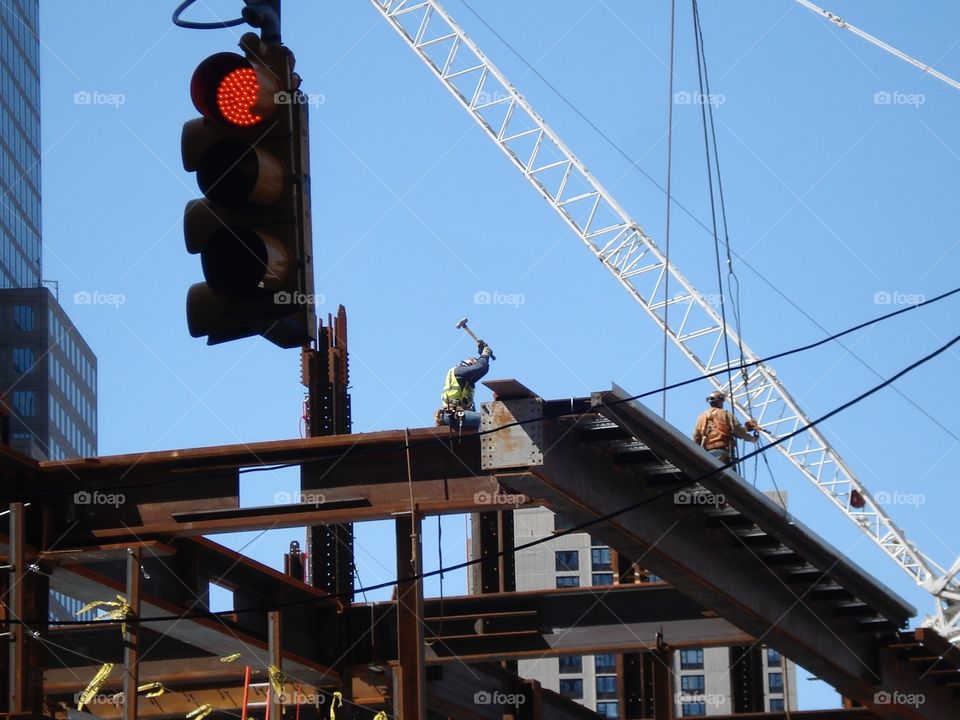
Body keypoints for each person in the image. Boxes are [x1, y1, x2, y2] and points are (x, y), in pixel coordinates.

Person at [436, 341, 494, 430]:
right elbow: (480, 366)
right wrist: (484, 354)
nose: (472, 361)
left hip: (460, 414)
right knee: (488, 420)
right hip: (453, 414)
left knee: (491, 421)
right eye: (471, 361)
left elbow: (483, 369)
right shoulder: (458, 371)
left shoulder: (467, 380)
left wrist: (482, 353)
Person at [692, 390, 759, 464]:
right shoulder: (725, 414)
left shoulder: (701, 417)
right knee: (726, 474)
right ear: (720, 401)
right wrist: (751, 438)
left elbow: (696, 439)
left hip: (706, 455)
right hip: (722, 453)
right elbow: (738, 431)